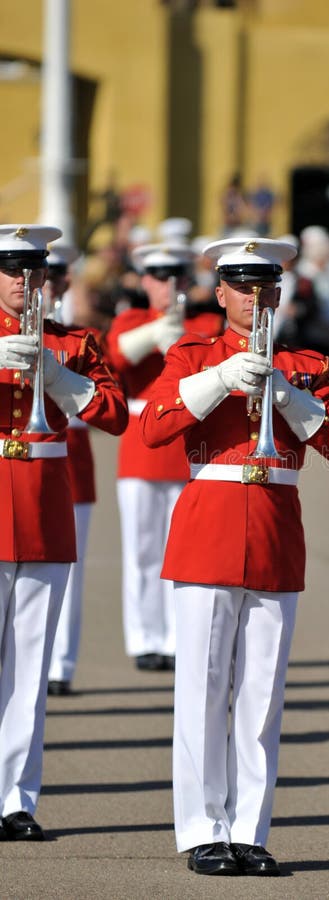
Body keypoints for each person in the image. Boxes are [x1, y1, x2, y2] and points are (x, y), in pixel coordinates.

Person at [139, 237, 329, 876]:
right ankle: (205, 828)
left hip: (275, 528)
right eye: (241, 285)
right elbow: (153, 427)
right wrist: (217, 380)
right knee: (203, 689)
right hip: (208, 528)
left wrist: (290, 396)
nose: (255, 297)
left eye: (266, 286)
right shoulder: (192, 354)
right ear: (220, 293)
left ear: (281, 294)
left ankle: (250, 830)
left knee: (262, 694)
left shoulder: (308, 363)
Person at [0, 224, 127, 839]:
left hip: (47, 508)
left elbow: (116, 414)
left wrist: (60, 378)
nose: (26, 284)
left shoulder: (74, 342)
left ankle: (15, 800)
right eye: (13, 272)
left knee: (31, 666)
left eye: (36, 273)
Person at [105, 241, 224, 673]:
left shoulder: (207, 321)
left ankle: (177, 636)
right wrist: (156, 334)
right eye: (158, 277)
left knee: (185, 550)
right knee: (141, 549)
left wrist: (183, 340)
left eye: (176, 277)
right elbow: (116, 356)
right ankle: (144, 637)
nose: (167, 285)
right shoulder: (130, 319)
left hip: (186, 441)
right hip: (141, 443)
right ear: (145, 281)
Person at [45, 244, 99, 696]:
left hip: (68, 458)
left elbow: (108, 406)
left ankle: (61, 664)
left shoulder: (78, 337)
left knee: (69, 571)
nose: (46, 282)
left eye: (54, 274)